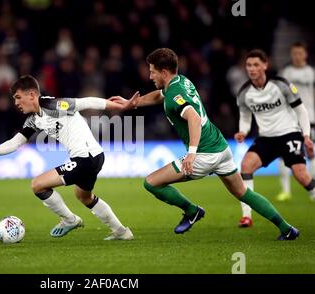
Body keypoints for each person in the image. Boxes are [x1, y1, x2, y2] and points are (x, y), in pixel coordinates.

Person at [110, 48, 299, 240]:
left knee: (151, 183)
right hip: (221, 147)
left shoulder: (176, 92)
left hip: (204, 153)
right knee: (243, 192)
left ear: (164, 72)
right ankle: (287, 229)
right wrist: (132, 103)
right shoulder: (180, 81)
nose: (150, 76)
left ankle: (192, 211)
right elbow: (160, 95)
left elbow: (192, 117)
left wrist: (191, 153)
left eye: (153, 71)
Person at [0, 75, 134, 240]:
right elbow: (16, 141)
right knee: (84, 197)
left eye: (18, 97)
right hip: (92, 157)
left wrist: (122, 106)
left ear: (32, 95)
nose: (16, 103)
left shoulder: (53, 105)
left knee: (37, 185)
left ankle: (69, 220)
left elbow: (86, 102)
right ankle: (122, 232)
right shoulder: (34, 119)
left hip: (86, 158)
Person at [235, 49, 315, 228]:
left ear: (265, 65)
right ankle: (247, 216)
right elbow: (246, 117)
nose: (252, 69)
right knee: (245, 166)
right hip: (267, 138)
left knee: (301, 175)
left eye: (256, 64)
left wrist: (306, 136)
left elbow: (301, 111)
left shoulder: (281, 85)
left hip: (289, 133)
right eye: (249, 65)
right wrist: (243, 131)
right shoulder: (244, 93)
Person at [276, 42, 315, 202]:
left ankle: (312, 190)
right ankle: (285, 191)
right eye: (294, 53)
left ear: (305, 54)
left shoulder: (311, 72)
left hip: (310, 117)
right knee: (283, 155)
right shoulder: (286, 72)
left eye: (300, 53)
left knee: (311, 153)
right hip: (290, 119)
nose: (297, 56)